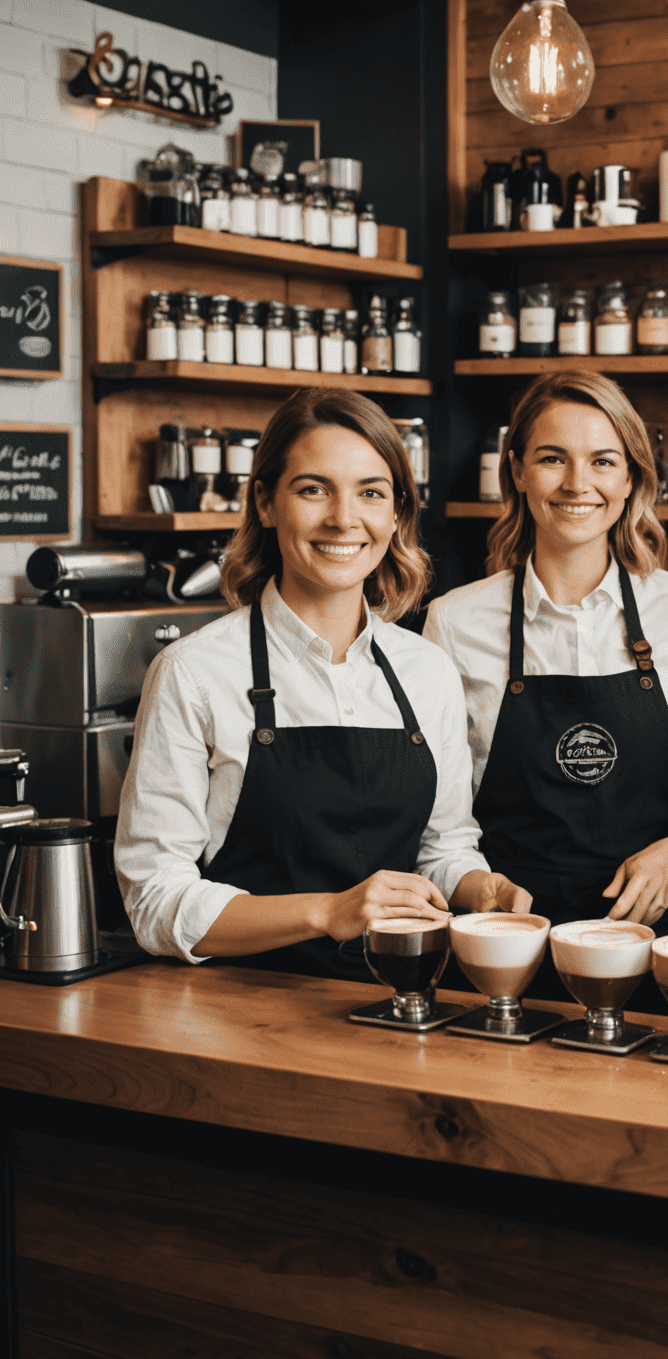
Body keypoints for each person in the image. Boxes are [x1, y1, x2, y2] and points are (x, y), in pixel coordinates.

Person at [117, 388, 513, 978]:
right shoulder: (193, 672)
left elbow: (441, 847)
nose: (343, 519)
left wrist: (479, 887)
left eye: (371, 493)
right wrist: (329, 911)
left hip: (398, 999)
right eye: (313, 489)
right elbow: (154, 901)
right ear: (266, 502)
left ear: (397, 514)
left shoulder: (426, 671)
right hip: (238, 1010)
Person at [423, 371, 668, 952]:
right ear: (517, 471)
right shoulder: (454, 621)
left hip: (655, 934)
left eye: (602, 461)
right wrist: (478, 888)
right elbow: (442, 821)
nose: (577, 483)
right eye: (552, 459)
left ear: (630, 478)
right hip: (509, 934)